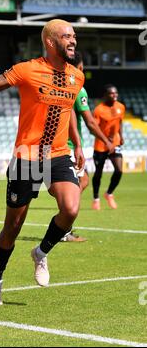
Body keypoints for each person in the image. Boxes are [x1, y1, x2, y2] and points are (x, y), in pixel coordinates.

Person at [0, 19, 85, 305]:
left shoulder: (76, 77)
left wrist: (78, 144)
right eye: (67, 36)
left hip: (57, 155)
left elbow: (67, 114)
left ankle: (41, 253)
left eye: (74, 36)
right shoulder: (27, 69)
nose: (73, 41)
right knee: (13, 227)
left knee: (70, 208)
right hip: (27, 157)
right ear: (50, 41)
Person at [61, 51, 115, 242]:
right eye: (82, 69)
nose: (83, 73)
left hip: (58, 146)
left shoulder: (57, 86)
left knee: (81, 182)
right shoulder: (78, 89)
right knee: (78, 184)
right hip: (67, 147)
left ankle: (64, 224)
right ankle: (63, 228)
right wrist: (107, 141)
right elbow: (91, 123)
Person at [91, 84, 125, 210]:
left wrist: (121, 136)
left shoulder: (121, 107)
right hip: (101, 145)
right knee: (98, 173)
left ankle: (109, 193)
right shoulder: (99, 110)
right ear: (105, 95)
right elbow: (94, 128)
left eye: (116, 93)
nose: (114, 95)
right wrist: (105, 140)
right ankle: (96, 198)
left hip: (115, 142)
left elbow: (120, 122)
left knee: (119, 170)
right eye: (111, 93)